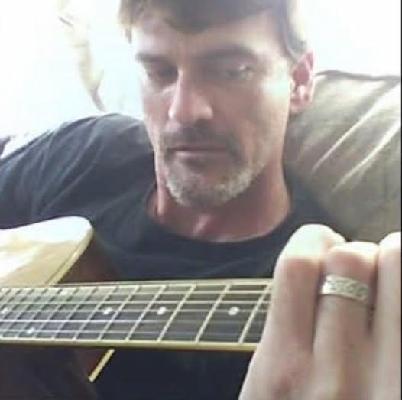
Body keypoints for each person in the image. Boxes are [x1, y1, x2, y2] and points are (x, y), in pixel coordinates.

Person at [0, 0, 400, 399]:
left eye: (231, 71)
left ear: (298, 81)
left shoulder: (324, 303)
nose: (185, 110)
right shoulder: (87, 153)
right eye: (159, 72)